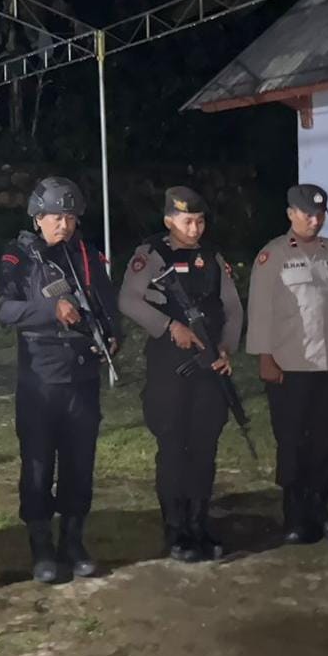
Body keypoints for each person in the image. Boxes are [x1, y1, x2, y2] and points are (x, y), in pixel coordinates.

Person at [0, 176, 121, 583]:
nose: (63, 225)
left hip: (82, 376)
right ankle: (41, 547)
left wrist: (113, 334)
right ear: (37, 218)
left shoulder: (86, 254)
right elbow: (4, 309)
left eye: (69, 217)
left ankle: (72, 540)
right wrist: (51, 310)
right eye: (54, 217)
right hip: (40, 379)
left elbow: (107, 301)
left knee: (79, 463)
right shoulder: (19, 257)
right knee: (37, 465)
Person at [118, 186, 243, 561]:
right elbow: (127, 300)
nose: (195, 228)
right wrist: (168, 326)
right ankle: (176, 531)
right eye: (188, 221)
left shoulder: (213, 257)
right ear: (169, 220)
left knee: (205, 446)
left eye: (200, 221)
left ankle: (199, 523)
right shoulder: (151, 255)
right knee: (173, 447)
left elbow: (233, 308)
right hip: (169, 365)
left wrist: (226, 348)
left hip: (209, 363)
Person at [247, 184, 328, 544]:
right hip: (290, 366)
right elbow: (260, 310)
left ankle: (320, 509)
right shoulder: (273, 255)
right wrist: (265, 357)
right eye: (308, 214)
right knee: (294, 443)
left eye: (320, 214)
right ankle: (295, 516)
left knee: (327, 442)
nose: (315, 220)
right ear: (290, 214)